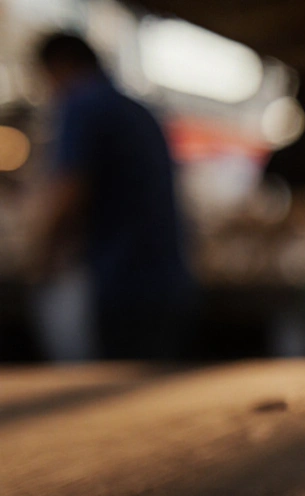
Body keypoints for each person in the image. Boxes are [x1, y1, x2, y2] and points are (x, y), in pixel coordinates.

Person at [31, 32, 195, 360]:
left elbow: (69, 192)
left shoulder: (82, 104)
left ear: (59, 66)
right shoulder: (137, 110)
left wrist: (39, 261)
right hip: (170, 281)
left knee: (117, 387)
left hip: (123, 282)